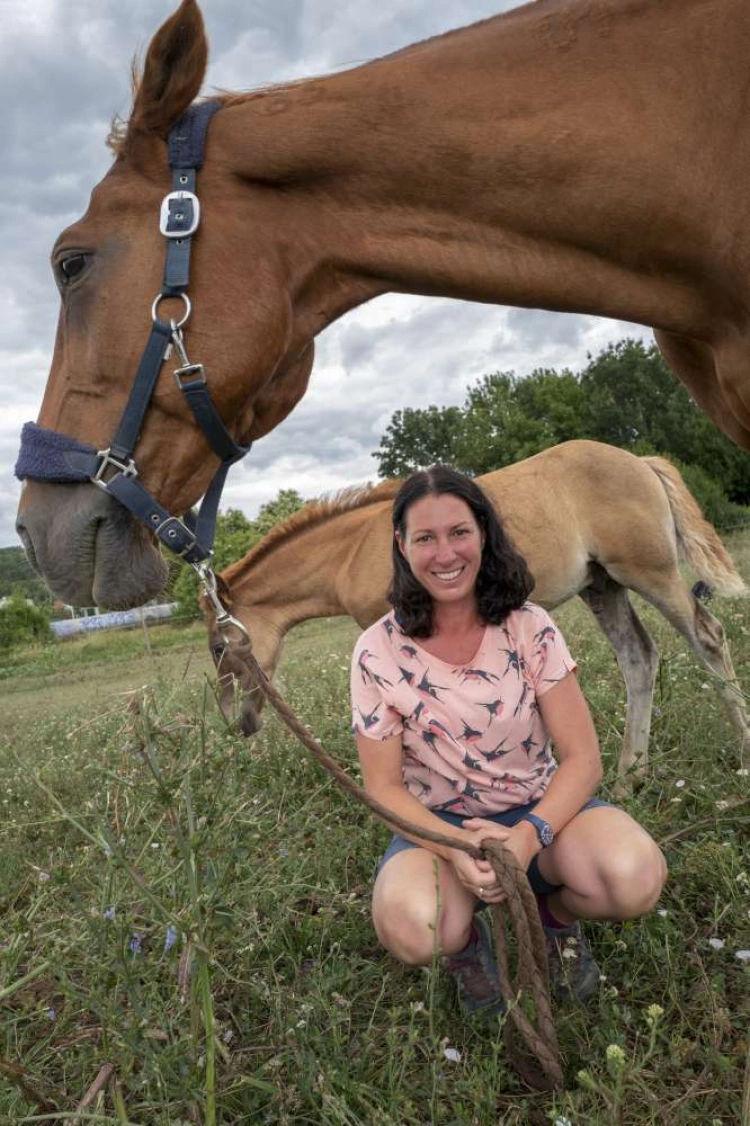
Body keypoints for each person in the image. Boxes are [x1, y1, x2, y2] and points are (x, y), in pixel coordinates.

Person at [350, 465, 667, 1018]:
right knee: (414, 929)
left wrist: (527, 837)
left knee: (633, 877)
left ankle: (553, 920)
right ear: (402, 546)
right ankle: (468, 947)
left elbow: (582, 759)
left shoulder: (529, 626)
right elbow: (383, 786)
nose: (445, 553)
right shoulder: (376, 650)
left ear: (484, 533)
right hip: (438, 830)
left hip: (543, 816)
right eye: (425, 538)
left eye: (459, 532)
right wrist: (456, 847)